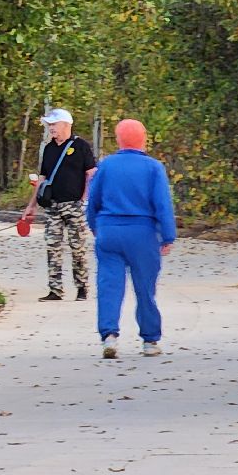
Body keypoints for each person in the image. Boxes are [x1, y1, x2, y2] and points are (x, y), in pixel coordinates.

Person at [85, 118, 176, 359]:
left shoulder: (106, 166)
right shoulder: (153, 168)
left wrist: (95, 226)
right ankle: (149, 340)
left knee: (109, 286)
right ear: (143, 139)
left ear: (118, 139)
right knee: (145, 288)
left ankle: (109, 336)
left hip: (109, 231)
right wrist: (168, 235)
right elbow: (162, 205)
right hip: (142, 233)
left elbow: (93, 201)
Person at [20, 108, 97, 301]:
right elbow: (42, 178)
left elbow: (91, 173)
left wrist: (85, 199)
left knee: (77, 247)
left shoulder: (81, 146)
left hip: (74, 205)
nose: (51, 128)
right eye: (49, 125)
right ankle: (55, 289)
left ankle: (82, 288)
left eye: (54, 124)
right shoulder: (49, 149)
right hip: (53, 205)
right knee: (52, 246)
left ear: (66, 124)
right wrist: (32, 205)